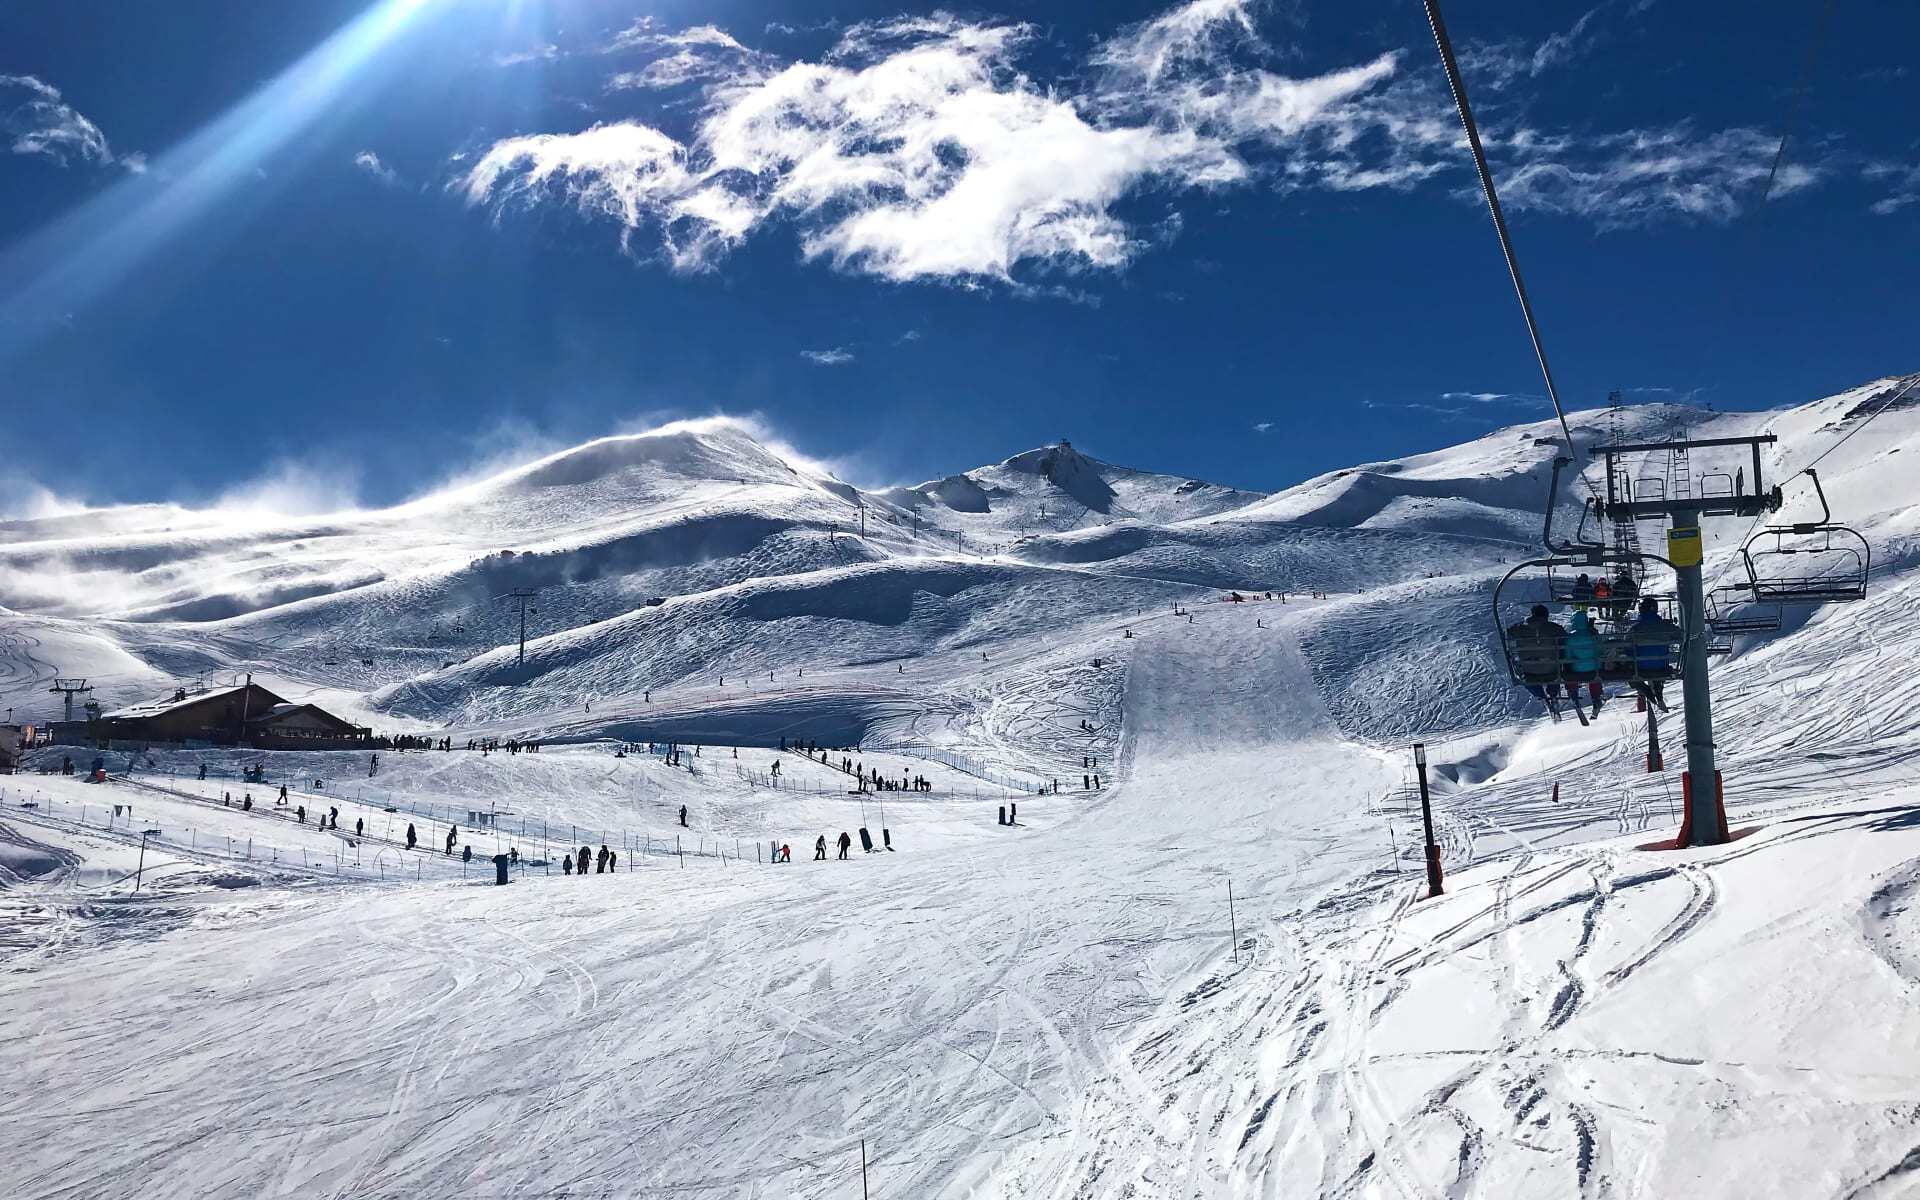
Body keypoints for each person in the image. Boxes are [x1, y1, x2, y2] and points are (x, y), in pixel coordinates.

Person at [1507, 604, 1568, 710]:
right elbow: (1565, 641)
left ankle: (1541, 696)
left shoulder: (1518, 628)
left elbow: (1508, 633)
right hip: (1551, 669)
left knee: (1525, 678)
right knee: (1556, 671)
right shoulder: (1554, 628)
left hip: (1529, 670)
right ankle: (1553, 694)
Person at [1630, 596, 1683, 706]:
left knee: (1630, 673)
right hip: (1661, 665)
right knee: (1657, 665)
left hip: (1641, 668)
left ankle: (1646, 690)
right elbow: (1680, 635)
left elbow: (1627, 647)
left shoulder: (1636, 628)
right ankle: (1658, 692)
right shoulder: (1664, 626)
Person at [1563, 609, 1605, 717]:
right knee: (1594, 677)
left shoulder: (1570, 637)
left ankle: (1574, 695)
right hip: (1594, 666)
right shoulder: (1593, 634)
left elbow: (1568, 656)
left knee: (1569, 672)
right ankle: (1596, 698)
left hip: (1577, 668)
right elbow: (1601, 650)